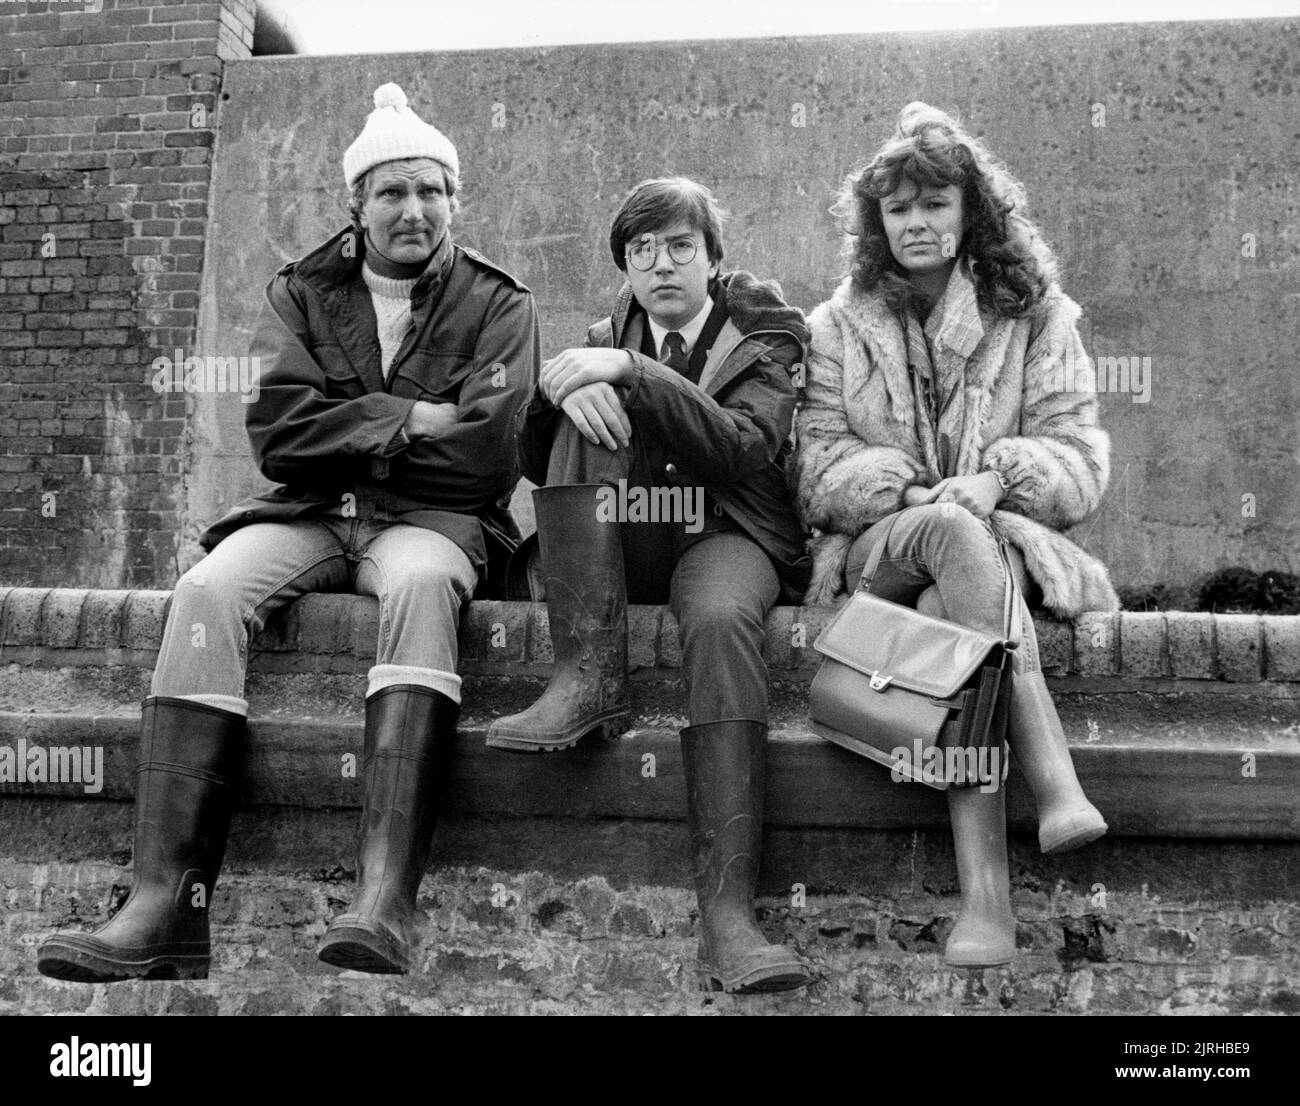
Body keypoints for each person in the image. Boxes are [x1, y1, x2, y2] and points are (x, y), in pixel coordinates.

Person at [36, 83, 538, 981]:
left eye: (431, 191)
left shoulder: (499, 303)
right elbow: (277, 439)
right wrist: (412, 420)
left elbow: (488, 454)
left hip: (432, 525)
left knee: (424, 586)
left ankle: (384, 903)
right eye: (392, 192)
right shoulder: (304, 290)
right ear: (357, 206)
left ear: (456, 201)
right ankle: (165, 908)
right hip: (311, 517)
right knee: (204, 592)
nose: (413, 210)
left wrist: (355, 433)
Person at [796, 103, 1117, 968]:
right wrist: (903, 486)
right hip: (878, 553)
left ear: (971, 211)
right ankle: (1050, 774)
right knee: (939, 536)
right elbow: (817, 467)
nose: (916, 222)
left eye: (934, 203)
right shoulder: (837, 326)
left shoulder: (1038, 317)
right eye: (898, 208)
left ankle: (988, 903)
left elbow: (1081, 460)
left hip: (992, 542)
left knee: (957, 584)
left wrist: (997, 476)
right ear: (876, 222)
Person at [491, 177, 814, 993]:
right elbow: (531, 464)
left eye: (679, 247)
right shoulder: (605, 337)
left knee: (715, 618)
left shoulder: (766, 337)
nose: (661, 265)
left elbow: (745, 447)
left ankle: (730, 918)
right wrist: (563, 388)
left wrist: (630, 371)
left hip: (728, 532)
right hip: (629, 529)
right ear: (626, 268)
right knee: (577, 406)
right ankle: (588, 676)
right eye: (641, 252)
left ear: (713, 259)